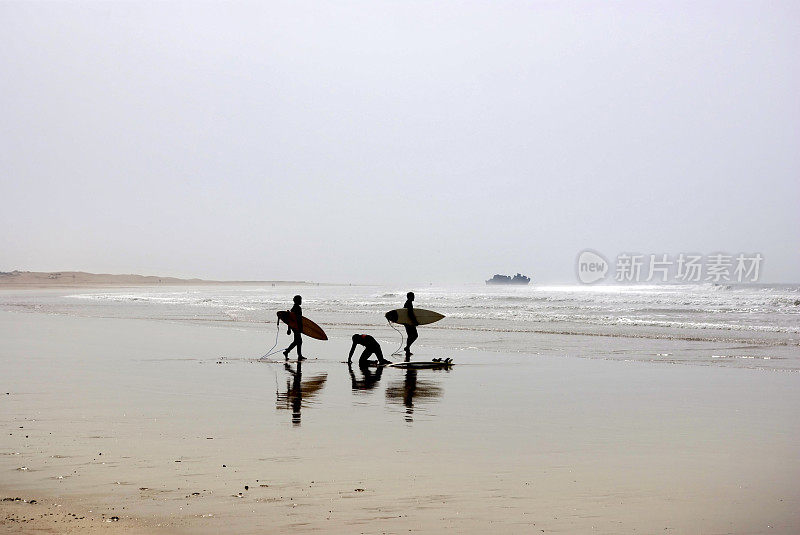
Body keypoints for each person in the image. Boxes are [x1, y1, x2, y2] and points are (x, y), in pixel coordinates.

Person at [283, 295, 306, 360]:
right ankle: (297, 355)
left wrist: (290, 329)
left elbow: (293, 319)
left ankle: (287, 352)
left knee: (297, 341)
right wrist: (289, 329)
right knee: (299, 341)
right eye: (300, 300)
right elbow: (291, 319)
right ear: (297, 301)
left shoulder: (295, 308)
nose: (301, 301)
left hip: (295, 327)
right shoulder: (296, 308)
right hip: (296, 327)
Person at [403, 292, 419, 360]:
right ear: (409, 297)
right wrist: (415, 321)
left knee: (410, 336)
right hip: (410, 323)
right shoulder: (408, 303)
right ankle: (407, 347)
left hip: (407, 322)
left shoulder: (408, 303)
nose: (414, 297)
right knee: (415, 335)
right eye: (413, 296)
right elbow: (410, 314)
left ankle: (407, 350)